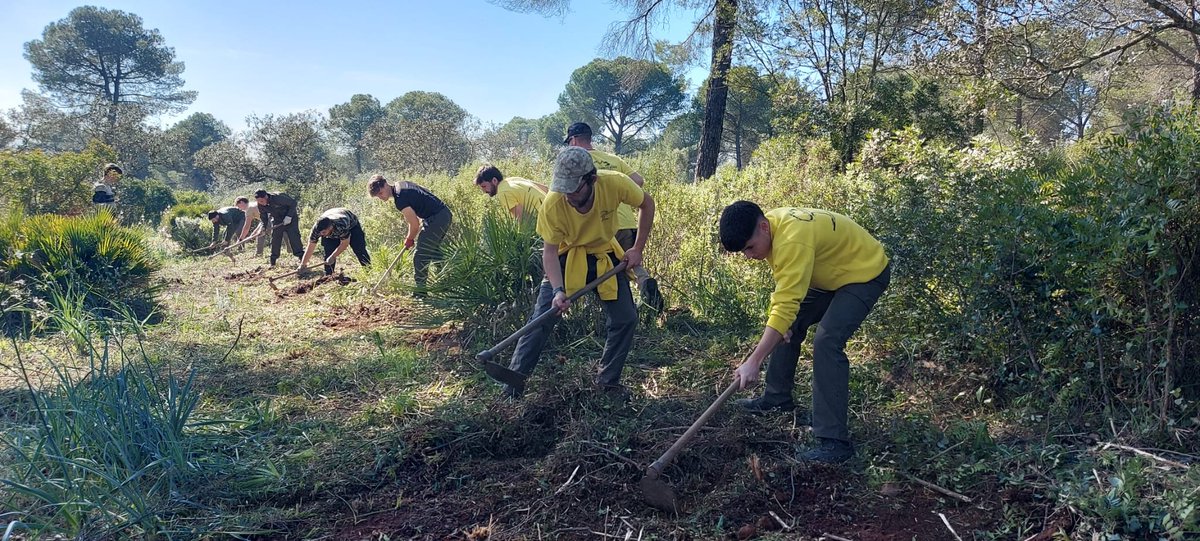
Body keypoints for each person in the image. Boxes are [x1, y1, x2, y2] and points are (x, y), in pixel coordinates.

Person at [719, 201, 891, 464]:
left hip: (864, 273)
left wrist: (754, 362)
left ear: (763, 227)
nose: (749, 256)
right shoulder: (772, 228)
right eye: (743, 251)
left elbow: (785, 304)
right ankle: (777, 398)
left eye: (750, 248)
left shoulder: (791, 239)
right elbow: (785, 301)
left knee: (826, 341)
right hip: (832, 275)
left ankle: (834, 442)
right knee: (788, 323)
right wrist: (781, 326)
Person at [503, 146, 656, 399]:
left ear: (591, 179)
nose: (568, 196)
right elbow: (549, 253)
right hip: (567, 258)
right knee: (541, 320)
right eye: (564, 189)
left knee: (625, 318)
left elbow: (647, 204)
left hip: (605, 254)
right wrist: (557, 291)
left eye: (573, 190)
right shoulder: (553, 204)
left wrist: (637, 248)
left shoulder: (614, 183)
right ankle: (512, 387)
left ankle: (607, 383)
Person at [565, 122, 663, 314]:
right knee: (631, 262)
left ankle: (605, 312)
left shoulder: (575, 163)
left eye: (569, 142)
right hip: (626, 223)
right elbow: (638, 181)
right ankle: (644, 282)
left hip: (599, 226)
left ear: (574, 140)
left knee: (600, 268)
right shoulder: (612, 159)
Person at [368, 175, 453, 291]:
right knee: (433, 250)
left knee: (420, 255)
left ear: (385, 184)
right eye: (378, 196)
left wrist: (409, 239)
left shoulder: (400, 199)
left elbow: (414, 224)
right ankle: (446, 283)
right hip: (443, 214)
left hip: (437, 218)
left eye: (381, 193)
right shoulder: (401, 184)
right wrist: (420, 224)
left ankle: (421, 291)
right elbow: (422, 197)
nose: (381, 197)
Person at [298, 208, 371, 275]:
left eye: (323, 232)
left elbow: (344, 244)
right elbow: (311, 246)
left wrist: (333, 256)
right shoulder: (317, 229)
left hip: (352, 226)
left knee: (359, 248)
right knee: (328, 252)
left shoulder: (341, 225)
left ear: (330, 227)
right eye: (320, 233)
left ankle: (369, 272)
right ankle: (328, 276)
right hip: (332, 220)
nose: (321, 235)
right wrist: (303, 264)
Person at [473, 165, 547, 221]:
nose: (484, 191)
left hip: (548, 222)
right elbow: (546, 189)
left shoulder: (503, 193)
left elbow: (525, 221)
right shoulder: (513, 180)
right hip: (552, 208)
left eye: (484, 186)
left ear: (494, 180)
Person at [254, 189, 303, 267]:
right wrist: (263, 228)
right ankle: (273, 262)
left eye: (262, 201)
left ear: (266, 196)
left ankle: (302, 258)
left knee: (294, 237)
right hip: (277, 220)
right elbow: (263, 217)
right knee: (275, 239)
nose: (261, 203)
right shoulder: (260, 204)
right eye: (259, 201)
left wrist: (289, 216)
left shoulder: (278, 197)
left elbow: (293, 203)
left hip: (290, 218)